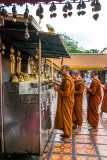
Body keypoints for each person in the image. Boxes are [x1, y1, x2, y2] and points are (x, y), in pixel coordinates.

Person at [50, 65, 74, 138]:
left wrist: (57, 90)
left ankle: (68, 134)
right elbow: (62, 86)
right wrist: (55, 83)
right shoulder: (66, 79)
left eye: (62, 69)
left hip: (66, 102)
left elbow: (66, 93)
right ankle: (66, 132)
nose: (61, 70)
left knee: (67, 118)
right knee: (64, 117)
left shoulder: (67, 80)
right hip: (65, 102)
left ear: (66, 70)